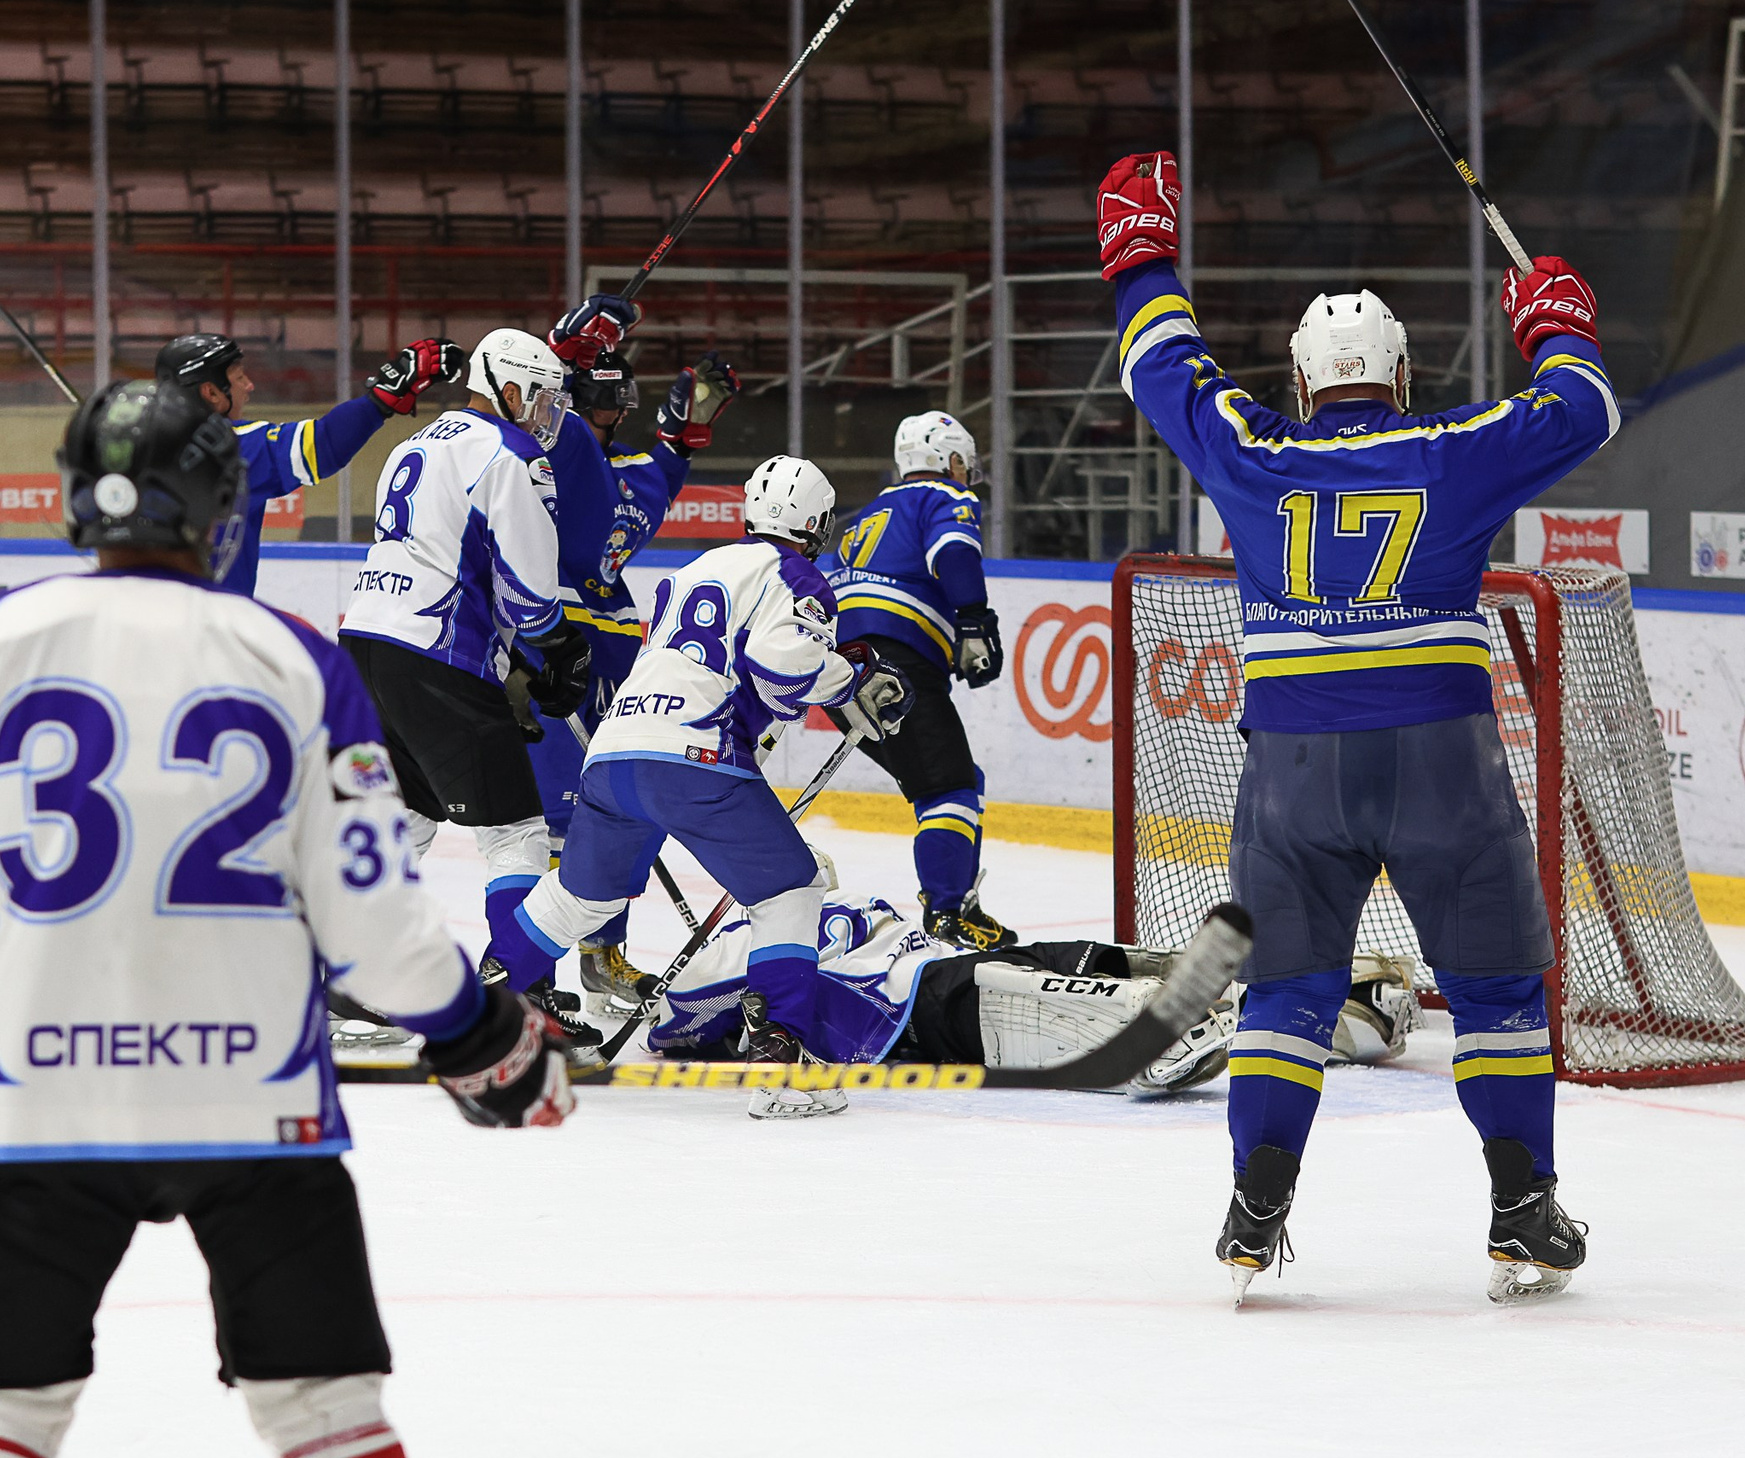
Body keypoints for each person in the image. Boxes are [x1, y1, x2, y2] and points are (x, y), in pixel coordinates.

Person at [0, 379, 577, 1458]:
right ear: (223, 506)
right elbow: (381, 931)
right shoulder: (290, 658)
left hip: (36, 1107)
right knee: (329, 1416)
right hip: (256, 1110)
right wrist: (481, 1039)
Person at [1095, 149, 1614, 1305]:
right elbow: (1585, 407)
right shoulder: (1455, 450)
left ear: (1296, 373)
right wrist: (1554, 322)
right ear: (1400, 368)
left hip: (1291, 765)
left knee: (1284, 991)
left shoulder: (1246, 445)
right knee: (1491, 995)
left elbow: (1155, 362)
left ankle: (1253, 1212)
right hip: (1441, 758)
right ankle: (1522, 1215)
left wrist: (1141, 248)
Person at [478, 456, 913, 1058]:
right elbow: (780, 669)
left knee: (582, 897)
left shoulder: (697, 568)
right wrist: (846, 684)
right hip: (695, 757)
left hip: (614, 753)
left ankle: (488, 1014)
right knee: (790, 889)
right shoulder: (795, 575)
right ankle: (779, 1048)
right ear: (815, 523)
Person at [336, 326, 597, 994]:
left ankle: (343, 979)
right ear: (507, 390)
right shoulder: (512, 454)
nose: (547, 418)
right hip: (435, 654)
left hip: (365, 646)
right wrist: (558, 649)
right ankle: (522, 991)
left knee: (407, 816)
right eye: (540, 401)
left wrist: (515, 659)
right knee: (515, 831)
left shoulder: (413, 444)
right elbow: (531, 590)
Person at [525, 292, 743, 1009]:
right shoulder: (547, 455)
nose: (608, 420)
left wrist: (681, 430)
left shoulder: (625, 471)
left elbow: (668, 460)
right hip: (553, 642)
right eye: (599, 406)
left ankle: (602, 953)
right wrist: (562, 351)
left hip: (618, 653)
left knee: (619, 809)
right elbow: (529, 414)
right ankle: (538, 974)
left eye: (616, 409)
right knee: (558, 817)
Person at [643, 880, 1240, 1119]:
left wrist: (666, 1002)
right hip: (946, 964)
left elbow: (670, 1028)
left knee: (1024, 1004)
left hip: (913, 1005)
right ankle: (1216, 989)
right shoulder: (853, 900)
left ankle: (1154, 1023)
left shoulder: (749, 946)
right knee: (1063, 958)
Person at [828, 410, 1012, 949]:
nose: (967, 475)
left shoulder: (863, 516)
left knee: (953, 781)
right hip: (894, 667)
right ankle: (947, 915)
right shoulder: (944, 498)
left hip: (842, 673)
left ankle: (956, 899)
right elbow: (954, 552)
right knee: (949, 788)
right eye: (964, 464)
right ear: (949, 460)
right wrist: (974, 619)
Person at [154, 331, 462, 599]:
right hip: (207, 632)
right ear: (210, 393)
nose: (249, 386)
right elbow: (323, 445)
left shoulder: (132, 446)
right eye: (239, 378)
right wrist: (384, 396)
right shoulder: (230, 447)